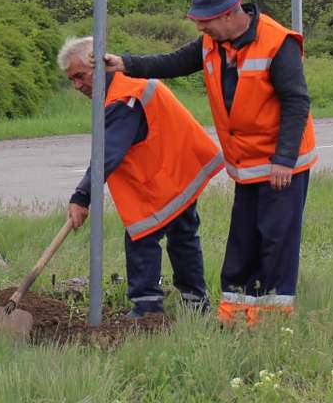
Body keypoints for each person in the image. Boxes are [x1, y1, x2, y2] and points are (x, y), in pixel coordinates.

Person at [105, 0, 316, 326]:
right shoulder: (211, 42)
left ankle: (271, 322)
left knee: (276, 243)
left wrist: (284, 159)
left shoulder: (278, 43)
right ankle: (234, 316)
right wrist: (125, 63)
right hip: (246, 164)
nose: (201, 27)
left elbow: (297, 101)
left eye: (205, 21)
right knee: (243, 242)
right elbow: (174, 62)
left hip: (282, 164)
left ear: (231, 13)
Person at [60, 36, 223, 318]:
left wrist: (81, 196)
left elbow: (106, 153)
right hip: (175, 171)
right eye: (72, 80)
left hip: (170, 173)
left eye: (80, 76)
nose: (77, 85)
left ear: (99, 66)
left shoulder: (125, 95)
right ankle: (194, 301)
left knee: (143, 235)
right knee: (182, 233)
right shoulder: (125, 86)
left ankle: (148, 308)